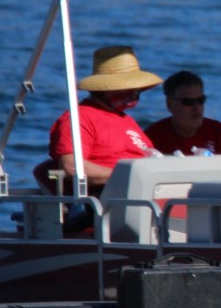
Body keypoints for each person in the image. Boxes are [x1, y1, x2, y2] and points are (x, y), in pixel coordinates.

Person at [45, 45, 162, 195]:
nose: (134, 93)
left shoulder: (127, 120)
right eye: (127, 87)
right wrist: (128, 175)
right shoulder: (78, 119)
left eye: (136, 88)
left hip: (147, 192)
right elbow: (72, 167)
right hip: (112, 199)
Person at [144, 70, 221, 156]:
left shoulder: (220, 134)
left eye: (200, 100)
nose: (196, 107)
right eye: (188, 102)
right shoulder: (153, 137)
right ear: (169, 104)